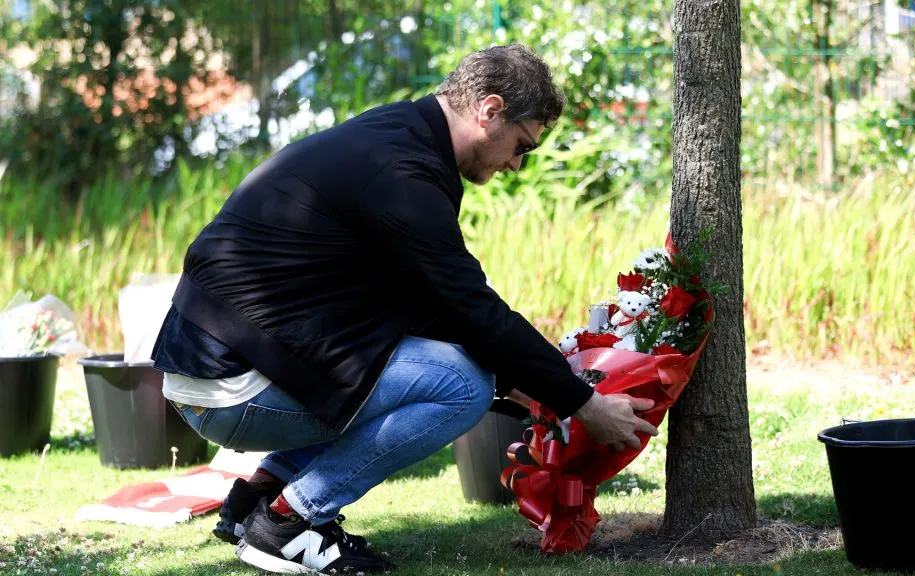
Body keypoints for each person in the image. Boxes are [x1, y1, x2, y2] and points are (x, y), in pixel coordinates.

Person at [151, 43, 659, 574]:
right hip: (233, 388)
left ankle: (257, 497)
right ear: (489, 111)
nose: (515, 164)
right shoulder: (403, 172)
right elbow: (466, 305)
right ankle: (290, 522)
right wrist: (582, 403)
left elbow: (428, 304)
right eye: (521, 146)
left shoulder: (396, 137)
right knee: (463, 386)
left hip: (214, 368)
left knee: (437, 366)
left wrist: (534, 381)